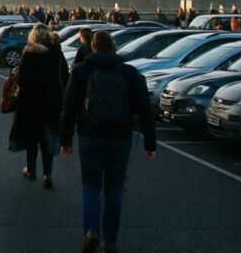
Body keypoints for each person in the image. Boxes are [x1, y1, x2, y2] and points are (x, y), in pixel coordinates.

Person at [60, 31, 157, 253]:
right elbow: (145, 110)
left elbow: (69, 107)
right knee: (114, 190)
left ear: (91, 47)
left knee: (91, 187)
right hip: (120, 137)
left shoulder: (81, 71)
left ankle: (91, 231)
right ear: (114, 47)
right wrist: (150, 144)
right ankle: (110, 241)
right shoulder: (129, 72)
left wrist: (65, 140)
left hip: (89, 135)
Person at [8, 24, 68, 188]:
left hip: (30, 102)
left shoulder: (29, 53)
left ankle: (31, 169)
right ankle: (47, 174)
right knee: (47, 138)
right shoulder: (56, 53)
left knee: (31, 138)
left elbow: (22, 80)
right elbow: (65, 75)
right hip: (51, 100)